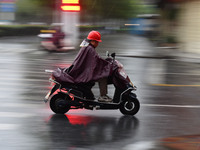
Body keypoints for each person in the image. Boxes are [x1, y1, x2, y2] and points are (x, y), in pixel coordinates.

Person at [67, 31, 113, 102]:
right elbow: (97, 59)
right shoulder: (90, 49)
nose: (97, 44)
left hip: (82, 71)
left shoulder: (86, 46)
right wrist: (107, 64)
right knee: (103, 77)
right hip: (84, 73)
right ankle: (103, 96)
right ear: (92, 41)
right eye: (97, 42)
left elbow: (94, 59)